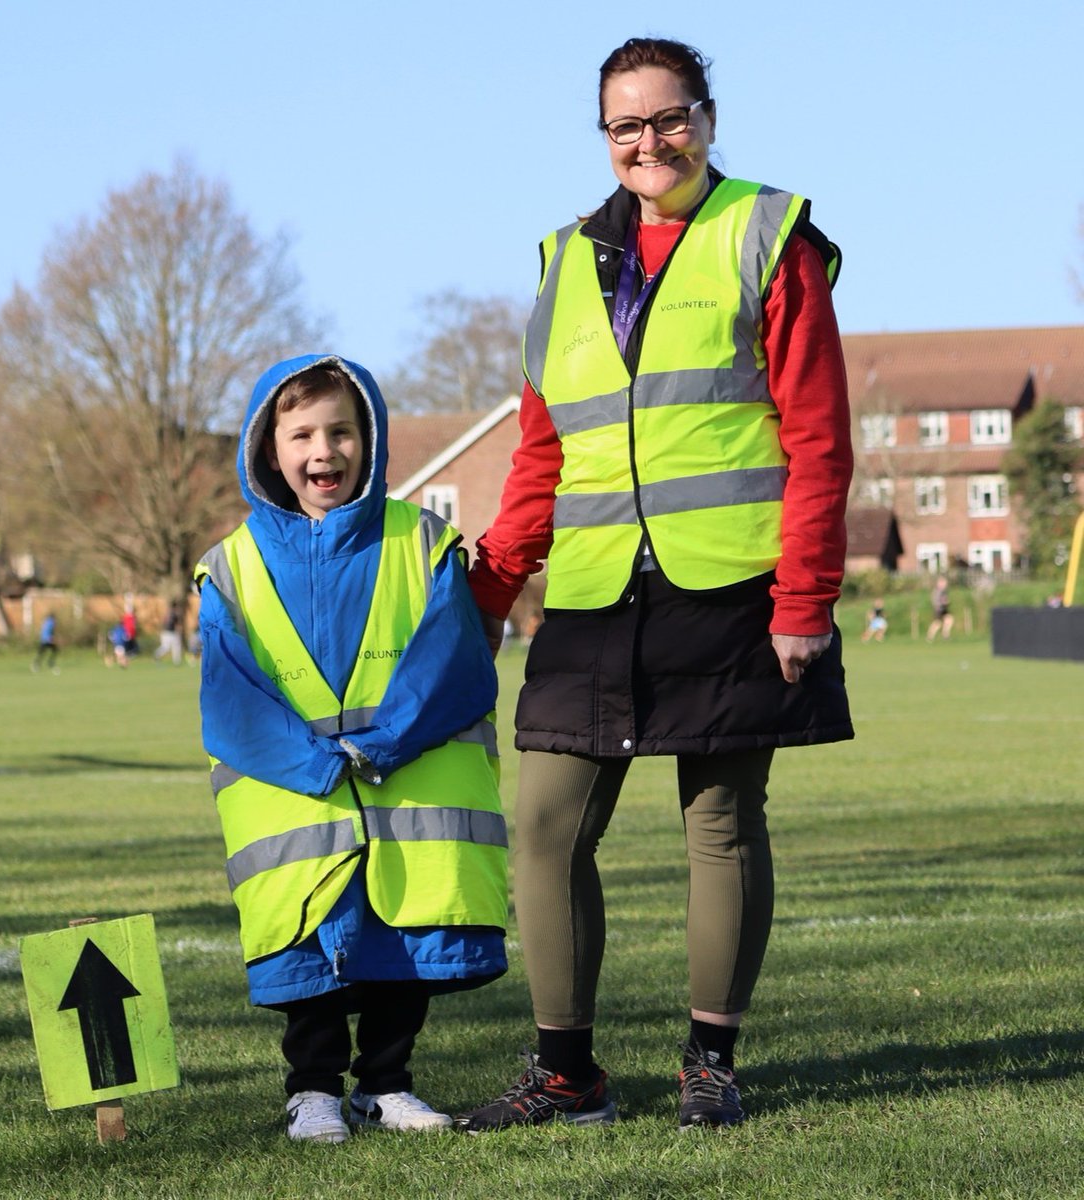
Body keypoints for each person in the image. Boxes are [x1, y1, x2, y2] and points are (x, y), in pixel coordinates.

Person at [454, 37, 853, 1134]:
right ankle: (565, 1076)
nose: (650, 142)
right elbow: (543, 452)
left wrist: (803, 601)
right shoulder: (561, 259)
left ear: (709, 119)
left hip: (732, 587)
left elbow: (819, 438)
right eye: (625, 127)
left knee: (720, 823)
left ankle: (710, 1061)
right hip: (588, 596)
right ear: (605, 138)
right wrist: (490, 592)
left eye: (669, 119)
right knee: (541, 828)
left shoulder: (769, 235)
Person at [194, 355, 508, 1144]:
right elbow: (230, 700)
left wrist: (385, 742)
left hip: (402, 787)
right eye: (301, 434)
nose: (322, 450)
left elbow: (456, 660)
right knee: (308, 938)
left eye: (341, 431)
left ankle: (385, 1084)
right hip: (299, 798)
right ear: (270, 449)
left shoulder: (423, 539)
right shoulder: (230, 567)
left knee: (406, 935)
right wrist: (314, 765)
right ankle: (312, 1089)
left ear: (369, 440)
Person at [153, 600, 184, 664]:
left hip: (164, 632)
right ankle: (177, 661)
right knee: (176, 646)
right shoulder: (175, 614)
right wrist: (179, 632)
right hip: (171, 633)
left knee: (165, 647)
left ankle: (157, 654)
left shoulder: (167, 613)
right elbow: (177, 625)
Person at [926, 576, 953, 641]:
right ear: (939, 583)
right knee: (937, 624)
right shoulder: (937, 591)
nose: (945, 584)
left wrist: (946, 602)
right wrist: (943, 603)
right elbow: (936, 601)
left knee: (949, 619)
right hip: (938, 609)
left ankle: (945, 635)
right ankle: (929, 637)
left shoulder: (944, 591)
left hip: (943, 609)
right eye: (943, 583)